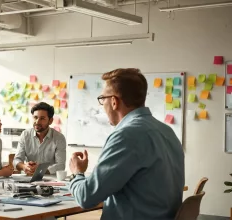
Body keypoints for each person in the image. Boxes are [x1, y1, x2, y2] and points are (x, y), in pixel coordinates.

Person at [69, 68, 184, 220]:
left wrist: (77, 173)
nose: (102, 105)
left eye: (103, 99)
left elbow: (86, 197)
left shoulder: (126, 135)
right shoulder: (166, 131)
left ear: (114, 101)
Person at [13, 102, 66, 175]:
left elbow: (60, 165)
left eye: (42, 118)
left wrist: (41, 169)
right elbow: (17, 160)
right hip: (29, 179)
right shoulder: (25, 135)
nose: (37, 122)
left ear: (50, 121)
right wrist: (24, 166)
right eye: (35, 117)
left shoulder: (59, 138)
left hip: (50, 180)